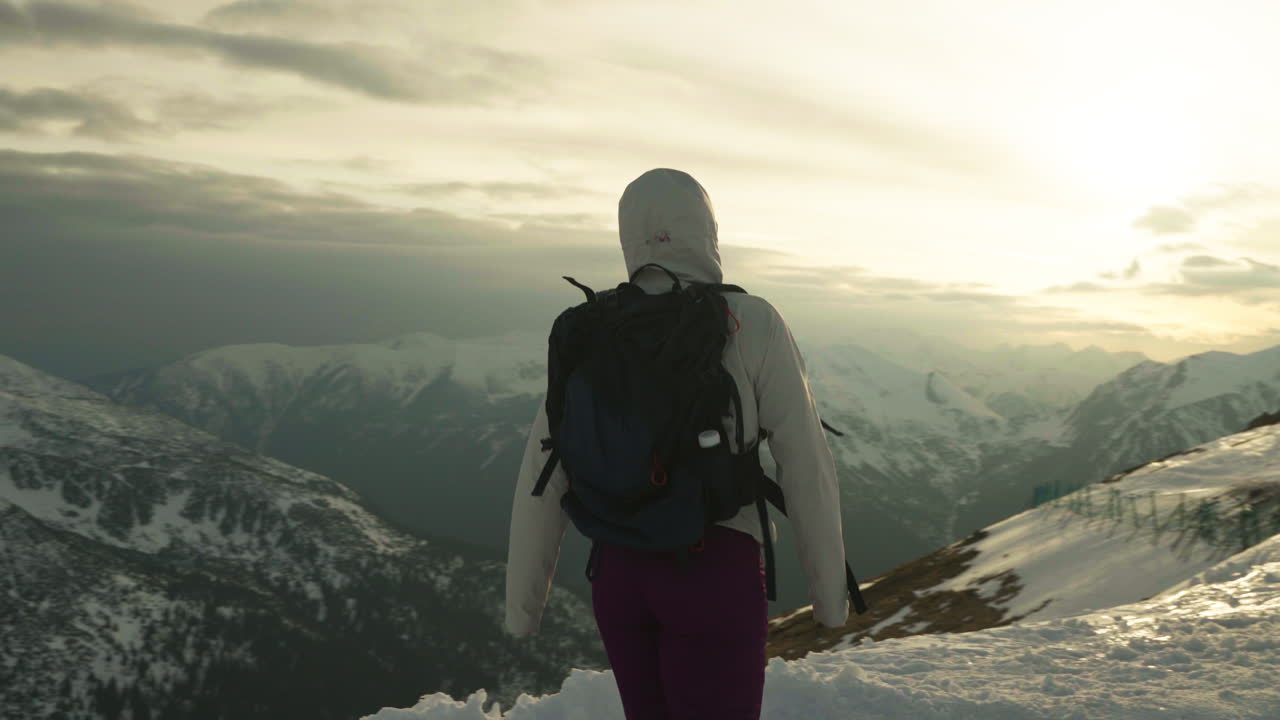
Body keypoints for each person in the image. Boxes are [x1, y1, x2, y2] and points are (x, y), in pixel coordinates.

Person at [506, 168, 849, 720]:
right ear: (705, 230)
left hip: (618, 576)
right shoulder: (751, 321)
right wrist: (829, 599)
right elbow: (805, 463)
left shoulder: (592, 329)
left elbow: (542, 472)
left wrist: (522, 607)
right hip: (714, 571)